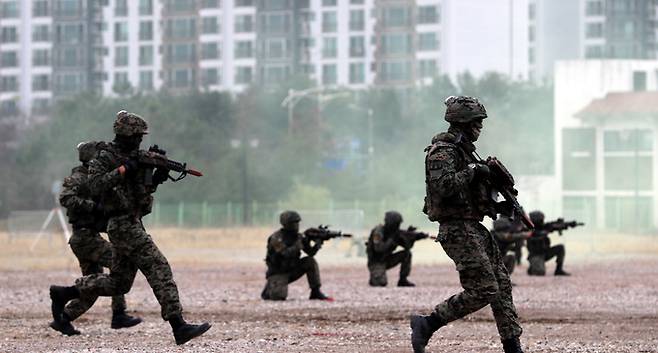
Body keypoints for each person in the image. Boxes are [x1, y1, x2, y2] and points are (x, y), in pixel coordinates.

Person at [48, 110, 211, 345]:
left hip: (131, 222)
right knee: (158, 266)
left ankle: (65, 293)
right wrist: (125, 169)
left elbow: (139, 195)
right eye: (137, 136)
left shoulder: (136, 156)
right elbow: (95, 186)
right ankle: (179, 326)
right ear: (126, 134)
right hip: (122, 224)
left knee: (120, 283)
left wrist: (156, 177)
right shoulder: (105, 158)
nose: (139, 140)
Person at [410, 96, 524, 353]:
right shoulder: (443, 152)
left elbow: (473, 197)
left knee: (502, 286)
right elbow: (445, 186)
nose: (479, 128)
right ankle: (426, 324)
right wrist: (474, 170)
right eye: (476, 123)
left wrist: (499, 206)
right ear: (462, 123)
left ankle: (513, 347)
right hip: (457, 230)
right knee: (484, 289)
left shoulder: (466, 152)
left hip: (474, 227)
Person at [51, 141, 141, 335]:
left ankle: (63, 319)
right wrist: (94, 207)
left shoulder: (95, 180)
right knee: (120, 265)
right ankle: (118, 314)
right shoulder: (79, 177)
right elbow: (65, 198)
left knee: (92, 286)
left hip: (88, 236)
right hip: (84, 237)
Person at [261, 211, 332, 301]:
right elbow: (286, 254)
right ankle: (269, 289)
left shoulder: (298, 236)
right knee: (278, 297)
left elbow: (310, 253)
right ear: (286, 224)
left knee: (310, 261)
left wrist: (318, 243)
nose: (296, 225)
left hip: (292, 269)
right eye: (294, 223)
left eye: (297, 222)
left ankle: (315, 291)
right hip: (278, 272)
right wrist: (300, 241)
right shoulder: (276, 238)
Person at [366, 211, 420, 287]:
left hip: (387, 259)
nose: (398, 226)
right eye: (397, 224)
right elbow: (378, 248)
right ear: (392, 223)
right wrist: (391, 240)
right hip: (376, 262)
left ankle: (403, 280)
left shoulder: (394, 233)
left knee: (407, 254)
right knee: (380, 283)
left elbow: (407, 247)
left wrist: (411, 237)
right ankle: (374, 277)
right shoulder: (378, 231)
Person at [526, 210, 572, 276]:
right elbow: (538, 235)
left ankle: (559, 270)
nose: (542, 220)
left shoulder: (544, 227)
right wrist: (547, 231)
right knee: (540, 273)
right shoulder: (529, 229)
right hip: (535, 255)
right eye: (541, 219)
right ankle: (532, 268)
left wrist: (563, 225)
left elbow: (552, 226)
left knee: (560, 247)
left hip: (545, 252)